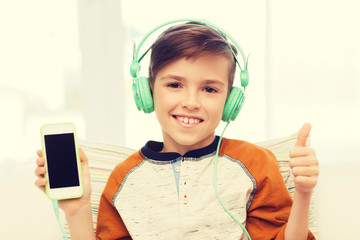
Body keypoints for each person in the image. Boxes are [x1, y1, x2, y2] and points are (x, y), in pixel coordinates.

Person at [35, 21, 319, 240]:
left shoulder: (256, 163)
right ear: (147, 93)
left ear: (230, 101)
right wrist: (77, 211)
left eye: (209, 89)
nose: (191, 103)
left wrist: (303, 194)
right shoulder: (123, 178)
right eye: (174, 85)